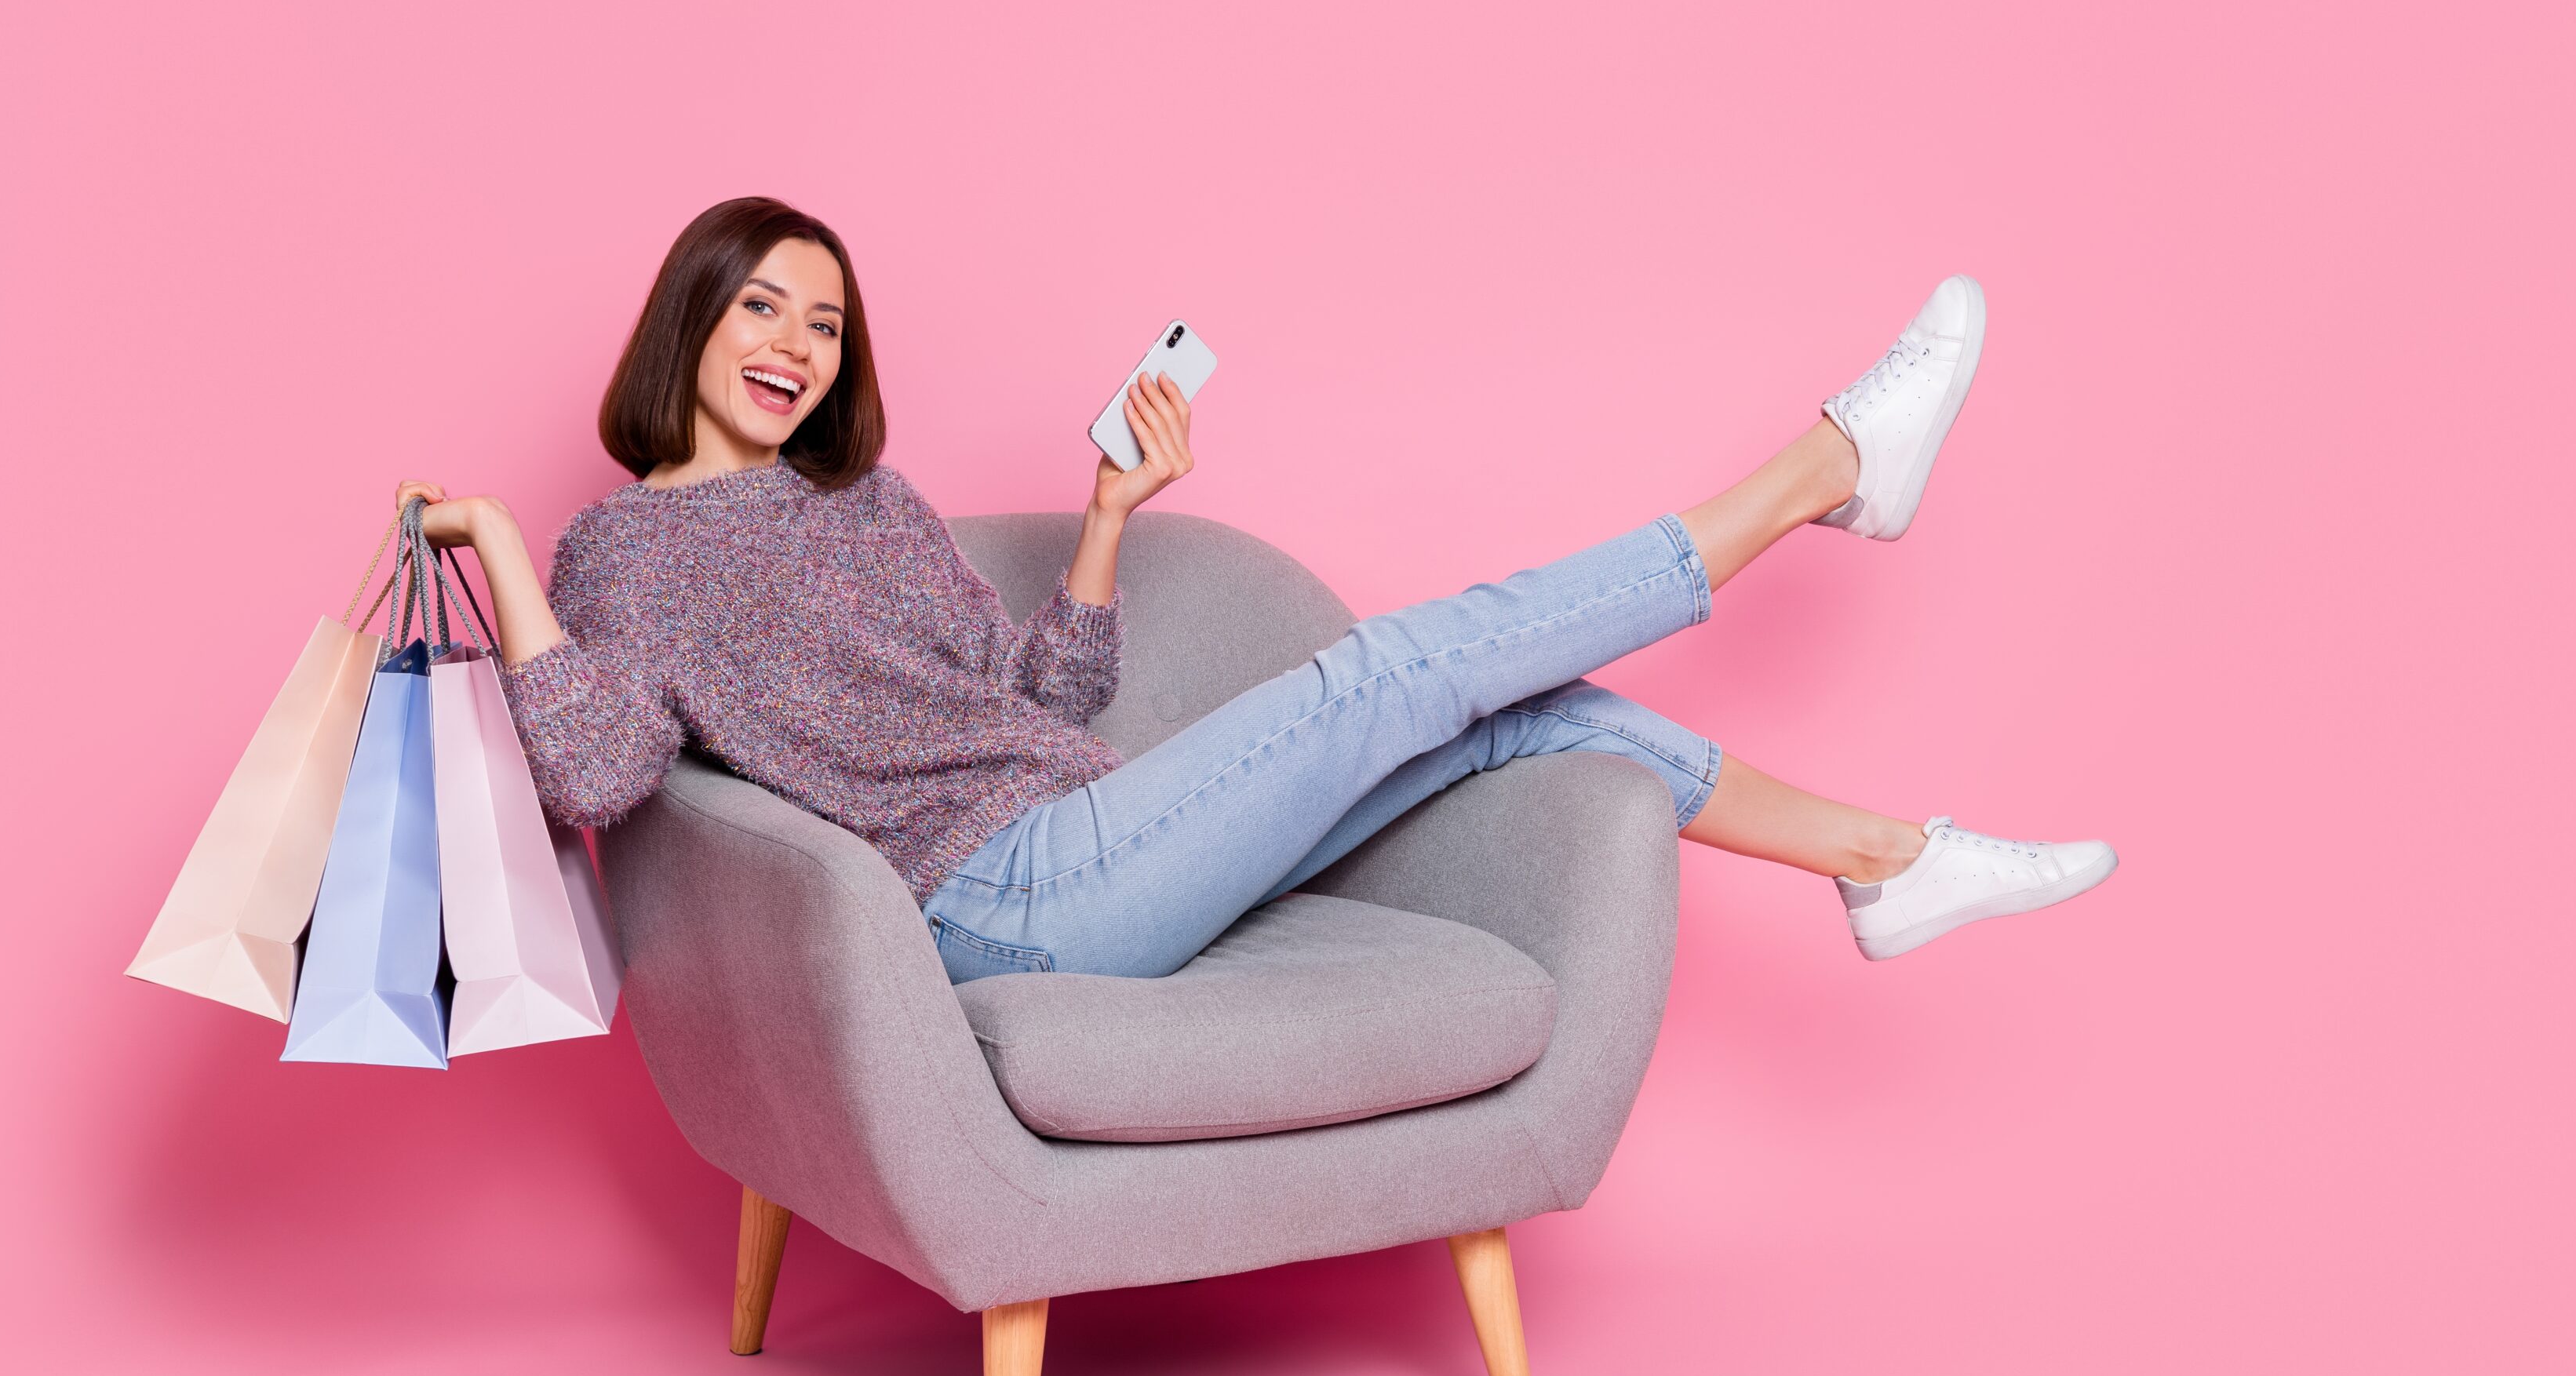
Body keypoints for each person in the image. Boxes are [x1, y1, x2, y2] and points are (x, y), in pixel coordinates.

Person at [400, 195, 2112, 983]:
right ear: (690, 318)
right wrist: (499, 549)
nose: (796, 346)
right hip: (996, 907)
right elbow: (604, 771)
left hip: (1100, 832)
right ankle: (1824, 472)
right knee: (1388, 670)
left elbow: (1034, 700)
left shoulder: (867, 500)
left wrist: (1104, 511)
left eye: (826, 321)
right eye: (764, 307)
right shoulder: (624, 550)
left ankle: (1887, 864)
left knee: (1525, 713)